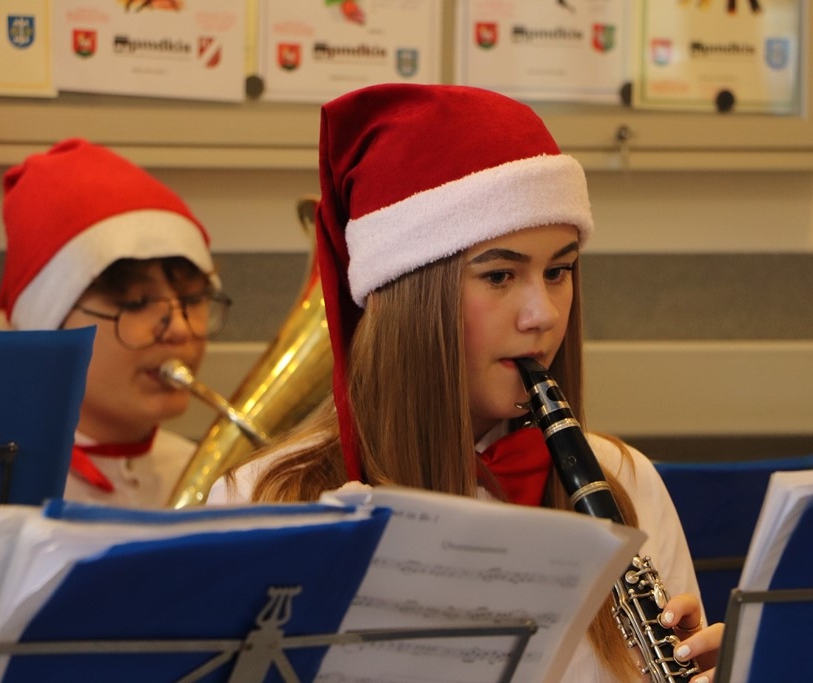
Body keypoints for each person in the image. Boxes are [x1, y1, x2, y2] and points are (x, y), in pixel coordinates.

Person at [207, 83, 724, 682]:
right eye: (500, 276)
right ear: (409, 298)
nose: (544, 314)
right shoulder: (263, 503)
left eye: (558, 271)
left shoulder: (625, 480)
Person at [0, 138, 230, 508]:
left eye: (193, 299)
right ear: (49, 326)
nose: (180, 330)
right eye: (137, 303)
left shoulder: (209, 479)